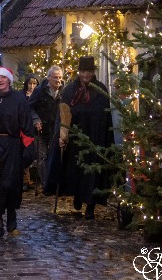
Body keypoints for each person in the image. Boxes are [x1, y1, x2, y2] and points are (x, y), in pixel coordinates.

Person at [45, 56, 113, 219]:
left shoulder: (101, 90)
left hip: (95, 139)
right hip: (76, 139)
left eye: (89, 72)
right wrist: (62, 135)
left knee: (92, 174)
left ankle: (90, 205)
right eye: (83, 71)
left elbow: (105, 117)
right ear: (79, 72)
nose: (86, 75)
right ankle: (77, 196)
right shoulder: (69, 90)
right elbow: (63, 115)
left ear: (93, 72)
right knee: (76, 171)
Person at [0, 66, 35, 238]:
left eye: (3, 77)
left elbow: (26, 124)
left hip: (13, 144)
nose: (0, 80)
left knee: (11, 183)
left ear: (9, 80)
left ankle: (12, 215)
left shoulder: (19, 99)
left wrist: (28, 147)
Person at [28, 66, 63, 191]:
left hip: (57, 129)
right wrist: (36, 119)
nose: (58, 80)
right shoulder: (40, 90)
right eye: (55, 77)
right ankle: (45, 184)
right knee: (42, 157)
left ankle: (54, 183)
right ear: (49, 78)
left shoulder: (64, 91)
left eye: (59, 77)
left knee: (54, 156)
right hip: (41, 129)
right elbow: (29, 107)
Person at [21, 73, 40, 191]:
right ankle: (25, 180)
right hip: (25, 128)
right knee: (25, 153)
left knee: (37, 153)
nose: (32, 86)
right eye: (30, 83)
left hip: (37, 128)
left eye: (34, 84)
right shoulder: (21, 96)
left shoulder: (39, 95)